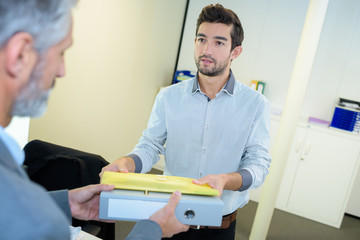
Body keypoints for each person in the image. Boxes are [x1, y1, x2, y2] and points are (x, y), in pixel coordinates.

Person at [0, 0, 188, 239]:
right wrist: (152, 230)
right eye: (60, 52)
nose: (62, 70)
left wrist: (64, 201)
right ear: (20, 54)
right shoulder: (41, 224)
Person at [101, 3, 272, 240]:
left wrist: (226, 180)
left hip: (219, 227)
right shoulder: (168, 97)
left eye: (219, 42)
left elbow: (259, 165)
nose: (206, 49)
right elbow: (150, 146)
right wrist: (127, 163)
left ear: (235, 52)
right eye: (201, 39)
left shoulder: (255, 104)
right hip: (170, 218)